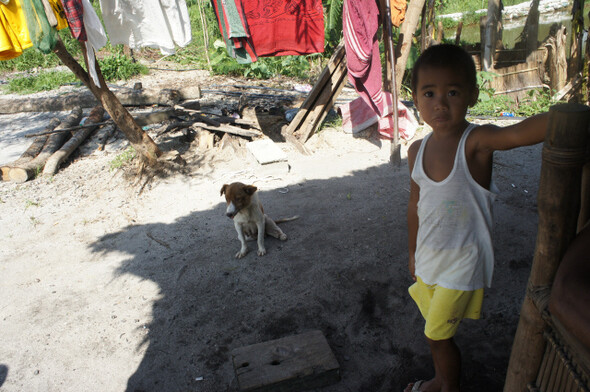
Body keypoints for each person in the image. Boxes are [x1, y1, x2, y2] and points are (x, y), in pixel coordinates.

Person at [405, 44, 549, 392]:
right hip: (429, 258)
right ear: (416, 99)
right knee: (434, 330)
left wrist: (572, 115)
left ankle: (445, 386)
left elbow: (518, 133)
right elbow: (415, 206)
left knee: (436, 336)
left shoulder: (476, 142)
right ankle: (442, 379)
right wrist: (412, 252)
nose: (440, 102)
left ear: (473, 94)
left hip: (463, 261)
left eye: (452, 92)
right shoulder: (416, 150)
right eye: (430, 93)